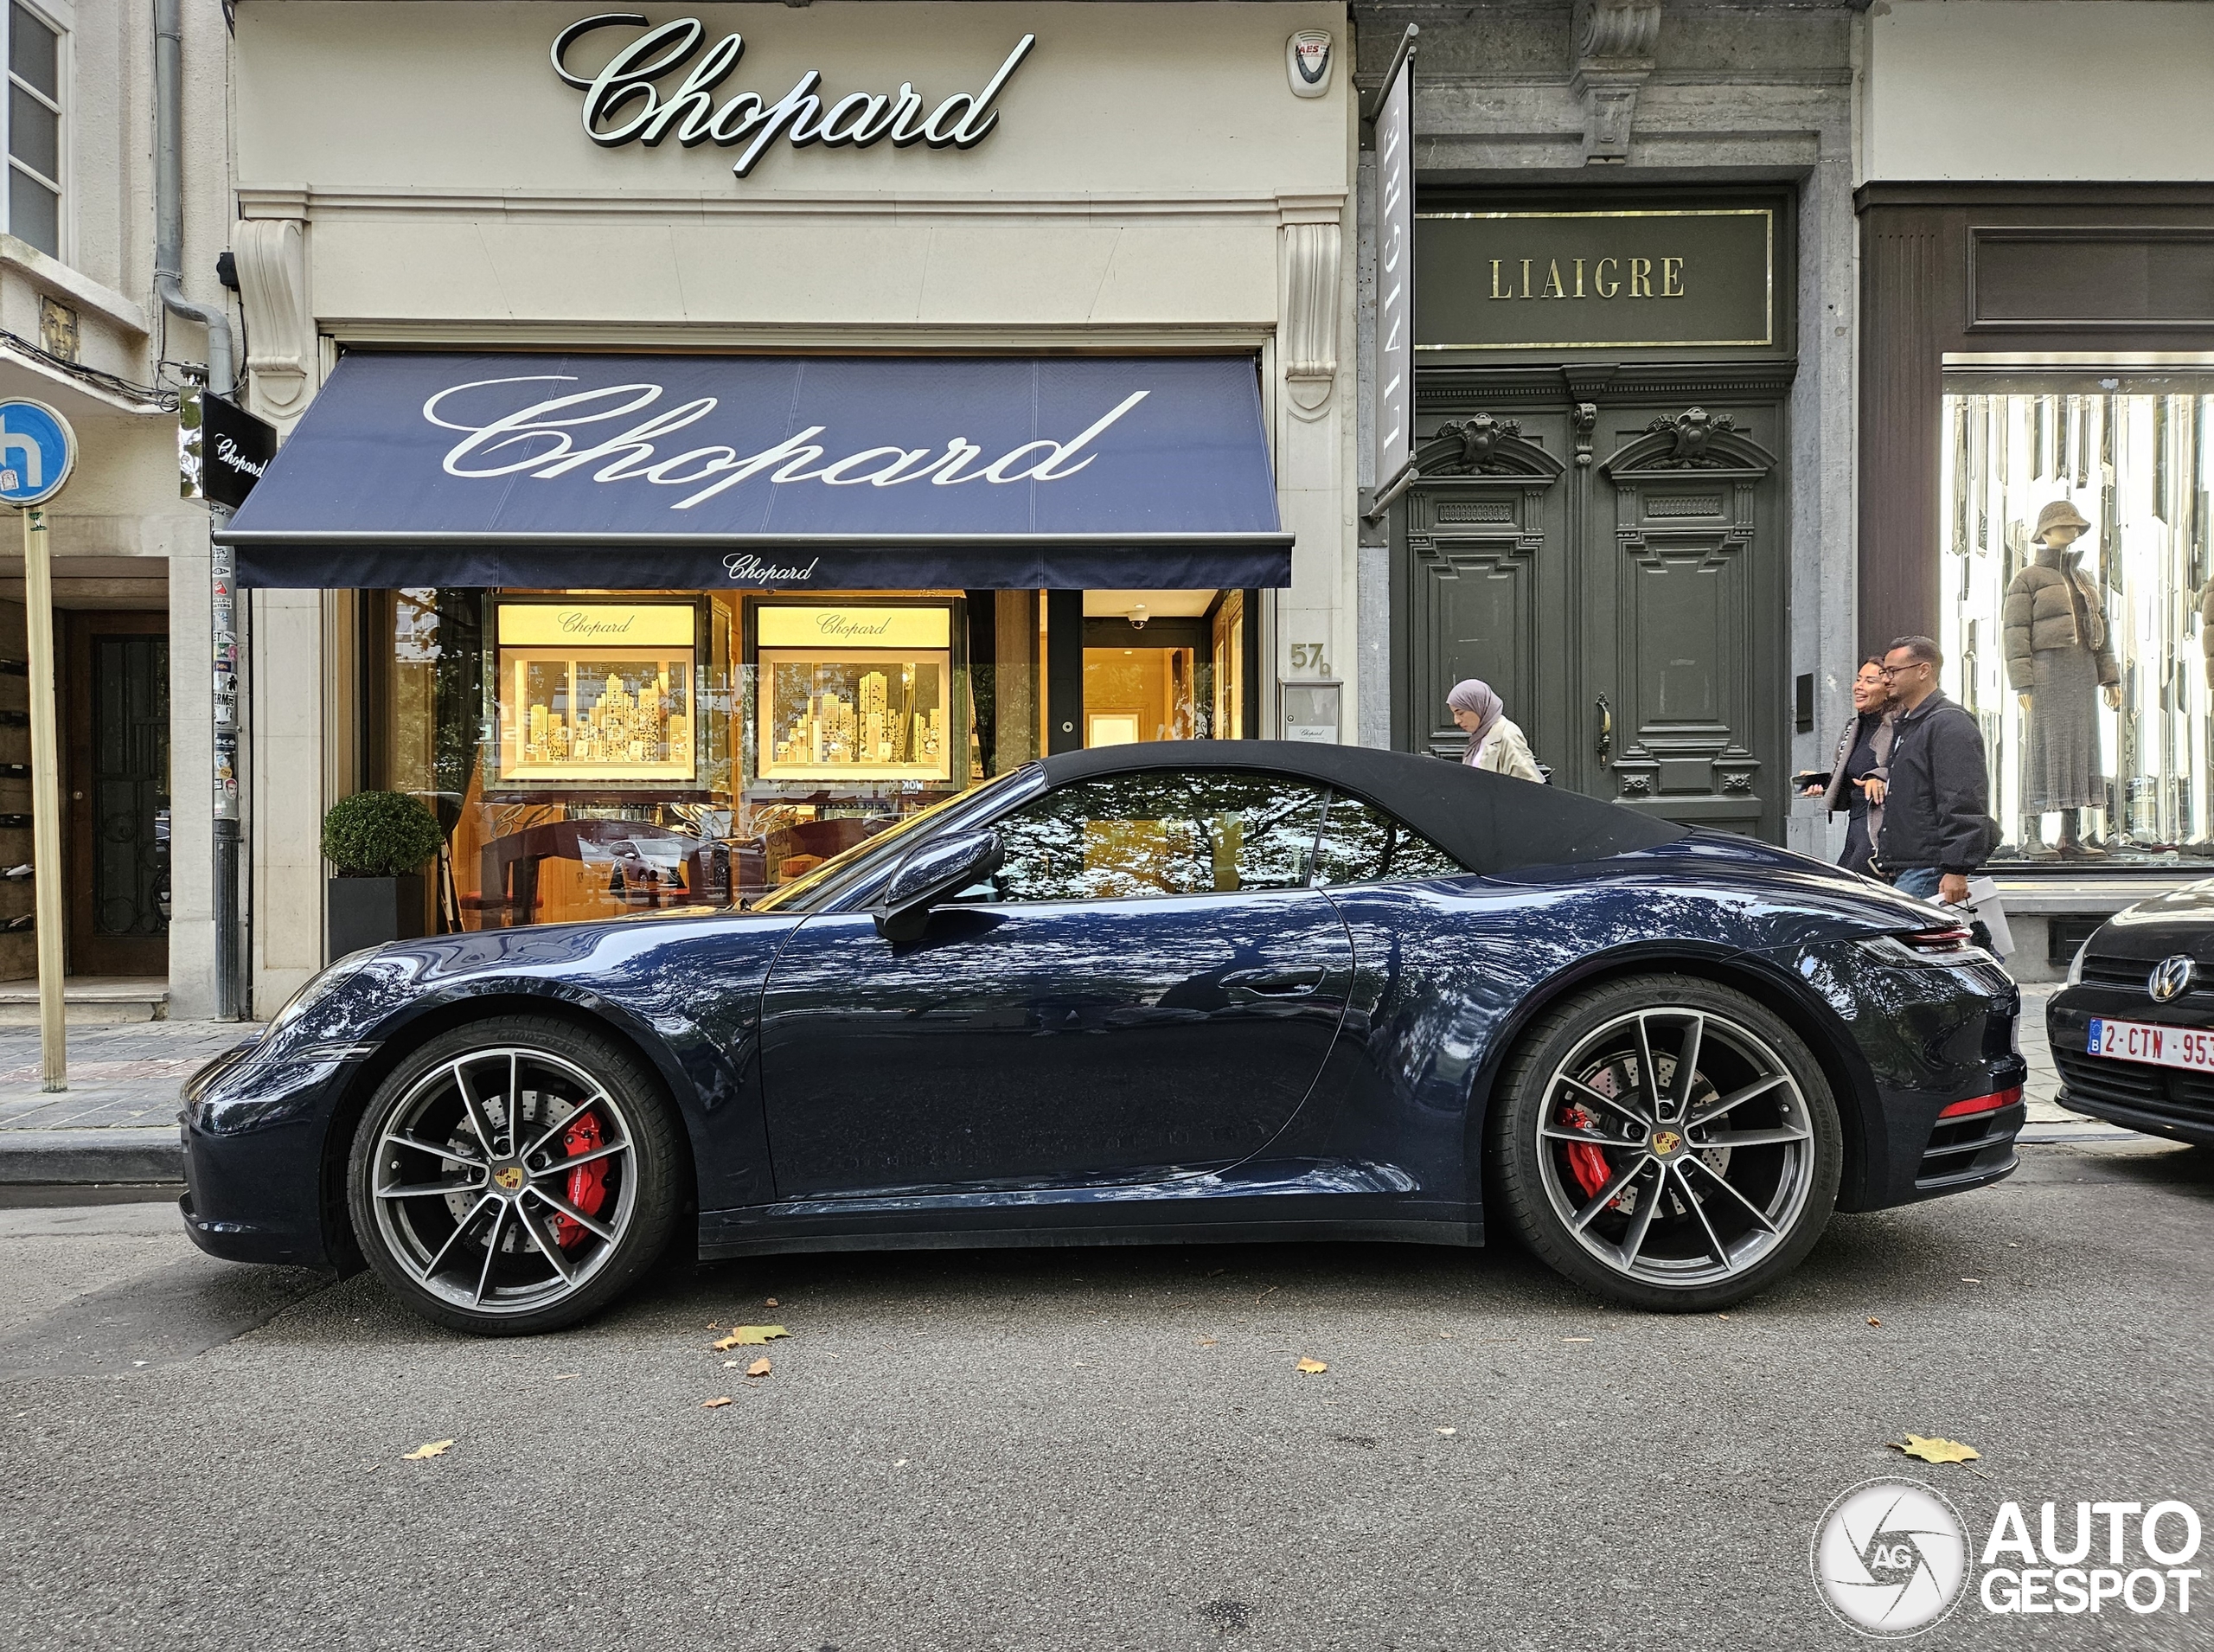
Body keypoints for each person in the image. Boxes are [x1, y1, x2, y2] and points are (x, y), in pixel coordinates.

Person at [1873, 635, 1996, 907]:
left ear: (1923, 671)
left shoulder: (1949, 724)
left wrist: (1956, 869)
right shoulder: (1910, 724)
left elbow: (1963, 798)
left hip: (1930, 869)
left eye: (1893, 671)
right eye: (1884, 672)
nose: (1886, 679)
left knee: (1926, 946)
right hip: (1910, 866)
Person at [1802, 656, 1896, 876]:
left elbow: (1910, 770)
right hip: (1855, 827)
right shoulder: (1854, 727)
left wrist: (1881, 777)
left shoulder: (1900, 727)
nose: (1859, 687)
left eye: (1869, 681)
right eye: (1858, 679)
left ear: (1888, 688)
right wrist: (1825, 783)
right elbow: (1852, 780)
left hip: (1879, 829)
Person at [1446, 679, 1544, 782]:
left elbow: (1529, 786)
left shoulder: (1507, 734)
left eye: (1460, 713)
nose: (1456, 721)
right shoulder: (1480, 736)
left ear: (1478, 706)